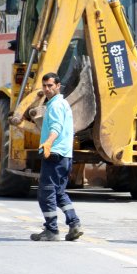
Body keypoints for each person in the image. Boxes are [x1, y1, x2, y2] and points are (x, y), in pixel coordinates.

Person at [31, 72, 83, 241]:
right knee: (59, 192)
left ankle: (51, 230)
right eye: (44, 86)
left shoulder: (54, 106)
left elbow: (56, 127)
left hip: (54, 153)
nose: (46, 89)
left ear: (58, 86)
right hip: (65, 156)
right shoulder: (63, 103)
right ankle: (74, 224)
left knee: (46, 193)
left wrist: (48, 143)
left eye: (50, 86)